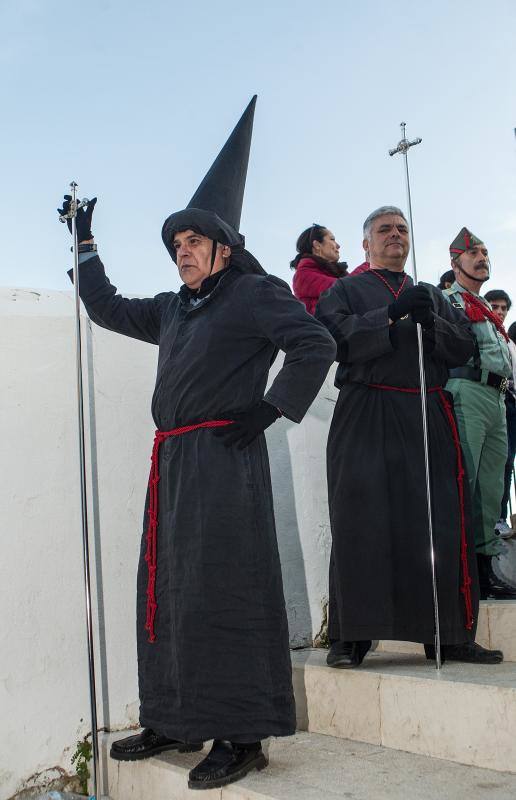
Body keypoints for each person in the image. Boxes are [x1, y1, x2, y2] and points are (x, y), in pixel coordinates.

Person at [57, 97, 337, 790]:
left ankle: (241, 735)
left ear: (224, 247)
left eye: (193, 241)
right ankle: (173, 717)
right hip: (174, 461)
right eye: (175, 243)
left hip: (225, 456)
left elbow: (314, 342)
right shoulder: (174, 309)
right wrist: (83, 244)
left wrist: (270, 411)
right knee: (168, 588)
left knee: (225, 591)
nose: (181, 250)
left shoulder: (253, 293)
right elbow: (108, 307)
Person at [316, 206, 502, 667]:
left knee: (440, 519)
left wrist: (430, 321)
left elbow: (463, 347)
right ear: (366, 244)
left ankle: (449, 634)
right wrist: (390, 315)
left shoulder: (432, 296)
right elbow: (333, 338)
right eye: (384, 230)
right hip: (367, 408)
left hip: (427, 409)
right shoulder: (344, 289)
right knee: (361, 515)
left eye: (402, 229)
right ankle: (351, 636)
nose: (395, 235)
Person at [443, 231, 516, 599]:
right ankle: (459, 572)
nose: (482, 257)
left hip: (498, 398)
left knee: (491, 487)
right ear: (456, 262)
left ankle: (485, 571)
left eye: (485, 252)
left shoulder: (487, 311)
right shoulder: (448, 301)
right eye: (473, 252)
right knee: (464, 481)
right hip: (466, 390)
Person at [484, 290, 516, 540]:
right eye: (495, 306)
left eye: (504, 307)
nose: (500, 311)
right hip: (487, 399)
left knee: (506, 463)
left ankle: (499, 517)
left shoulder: (510, 343)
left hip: (510, 404)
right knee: (489, 461)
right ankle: (486, 517)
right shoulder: (480, 331)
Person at [291, 225, 348, 314]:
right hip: (330, 326)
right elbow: (347, 289)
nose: (338, 245)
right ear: (317, 245)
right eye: (332, 239)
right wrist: (371, 262)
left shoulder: (335, 272)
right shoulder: (303, 275)